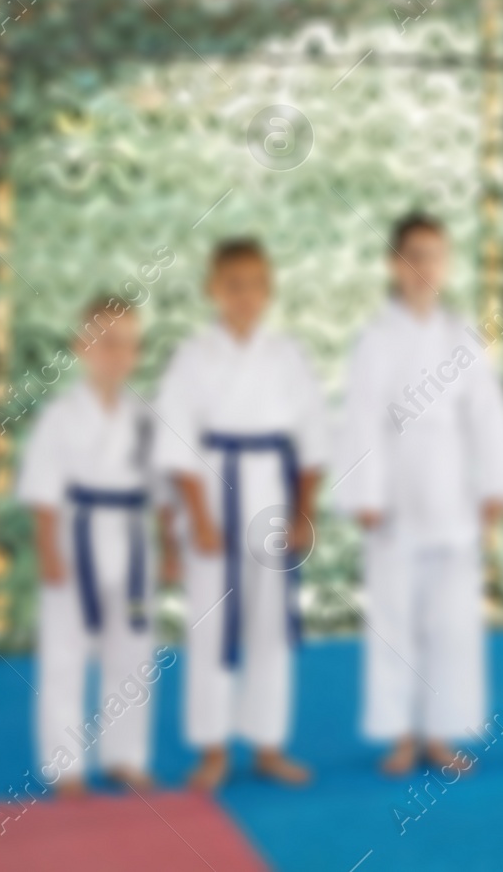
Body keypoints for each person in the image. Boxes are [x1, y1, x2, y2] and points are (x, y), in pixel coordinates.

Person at [335, 213, 503, 776]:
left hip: (452, 489)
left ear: (444, 265)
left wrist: (495, 484)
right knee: (394, 618)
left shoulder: (460, 336)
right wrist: (364, 491)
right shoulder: (375, 339)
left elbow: (485, 416)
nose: (424, 268)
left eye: (434, 256)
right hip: (394, 492)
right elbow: (362, 418)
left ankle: (442, 734)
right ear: (395, 264)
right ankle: (399, 735)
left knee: (452, 621)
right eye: (413, 256)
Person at [154, 238, 325, 789]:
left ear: (269, 290)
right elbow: (175, 442)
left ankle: (269, 744)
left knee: (271, 623)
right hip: (215, 488)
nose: (244, 295)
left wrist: (306, 512)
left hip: (273, 487)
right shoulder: (193, 355)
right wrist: (197, 518)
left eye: (254, 284)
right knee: (211, 624)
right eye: (233, 284)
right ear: (212, 289)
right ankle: (213, 748)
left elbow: (313, 439)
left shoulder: (287, 355)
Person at [18, 297, 162, 795]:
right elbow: (42, 491)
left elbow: (161, 490)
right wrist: (48, 551)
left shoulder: (145, 415)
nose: (115, 354)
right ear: (82, 348)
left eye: (125, 344)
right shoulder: (60, 416)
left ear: (136, 353)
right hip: (75, 538)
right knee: (64, 653)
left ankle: (126, 757)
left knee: (133, 651)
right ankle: (67, 766)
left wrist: (171, 546)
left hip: (132, 540)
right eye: (104, 342)